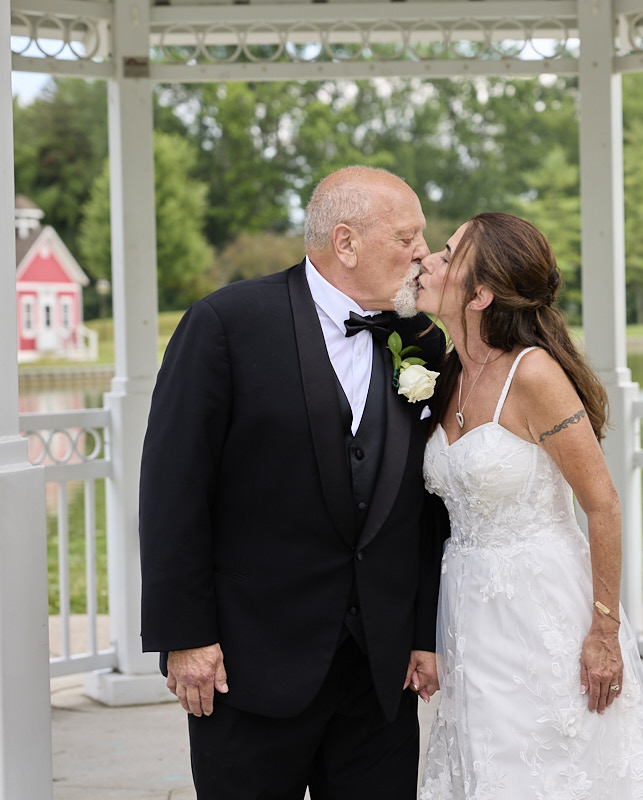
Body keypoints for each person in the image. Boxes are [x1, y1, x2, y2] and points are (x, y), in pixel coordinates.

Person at [138, 166, 450, 799]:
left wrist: (423, 634)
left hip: (379, 676)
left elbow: (426, 507)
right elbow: (173, 489)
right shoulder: (225, 323)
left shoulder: (420, 340)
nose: (422, 253)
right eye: (406, 237)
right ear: (346, 243)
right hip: (250, 667)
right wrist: (186, 637)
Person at [413, 212, 643, 798]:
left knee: (547, 770)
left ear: (481, 295)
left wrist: (604, 630)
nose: (427, 259)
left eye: (446, 254)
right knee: (483, 768)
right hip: (466, 608)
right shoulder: (447, 371)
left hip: (540, 607)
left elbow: (602, 505)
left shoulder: (534, 374)